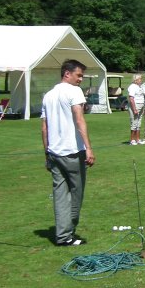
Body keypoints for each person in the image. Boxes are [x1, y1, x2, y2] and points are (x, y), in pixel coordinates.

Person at [41, 59, 95, 246]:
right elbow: (79, 120)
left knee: (60, 195)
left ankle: (63, 235)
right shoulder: (74, 91)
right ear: (67, 74)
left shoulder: (48, 95)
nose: (81, 79)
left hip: (54, 152)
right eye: (78, 75)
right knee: (75, 194)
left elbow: (44, 128)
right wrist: (88, 147)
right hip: (72, 152)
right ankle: (68, 234)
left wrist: (46, 152)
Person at [127, 74, 144, 144]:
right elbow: (131, 99)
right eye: (140, 79)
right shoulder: (132, 87)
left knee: (138, 123)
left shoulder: (139, 86)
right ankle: (132, 139)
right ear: (135, 80)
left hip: (141, 106)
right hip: (135, 106)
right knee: (134, 122)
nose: (141, 80)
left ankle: (137, 139)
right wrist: (134, 109)